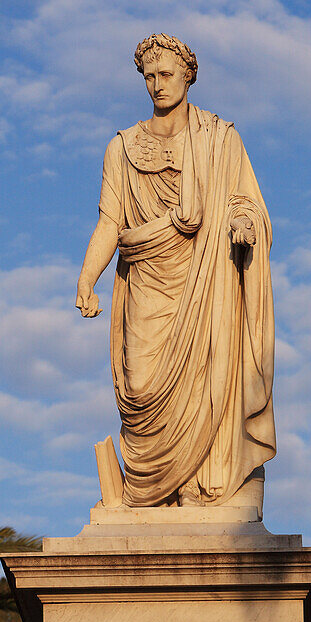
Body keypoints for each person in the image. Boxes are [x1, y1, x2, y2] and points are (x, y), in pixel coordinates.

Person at [76, 33, 275, 510]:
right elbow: (110, 221)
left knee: (210, 383)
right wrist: (87, 279)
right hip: (147, 281)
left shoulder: (220, 140)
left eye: (165, 75)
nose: (156, 85)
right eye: (148, 76)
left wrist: (244, 224)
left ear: (188, 75)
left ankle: (198, 487)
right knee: (140, 385)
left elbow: (245, 202)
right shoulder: (122, 147)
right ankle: (151, 493)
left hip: (208, 281)